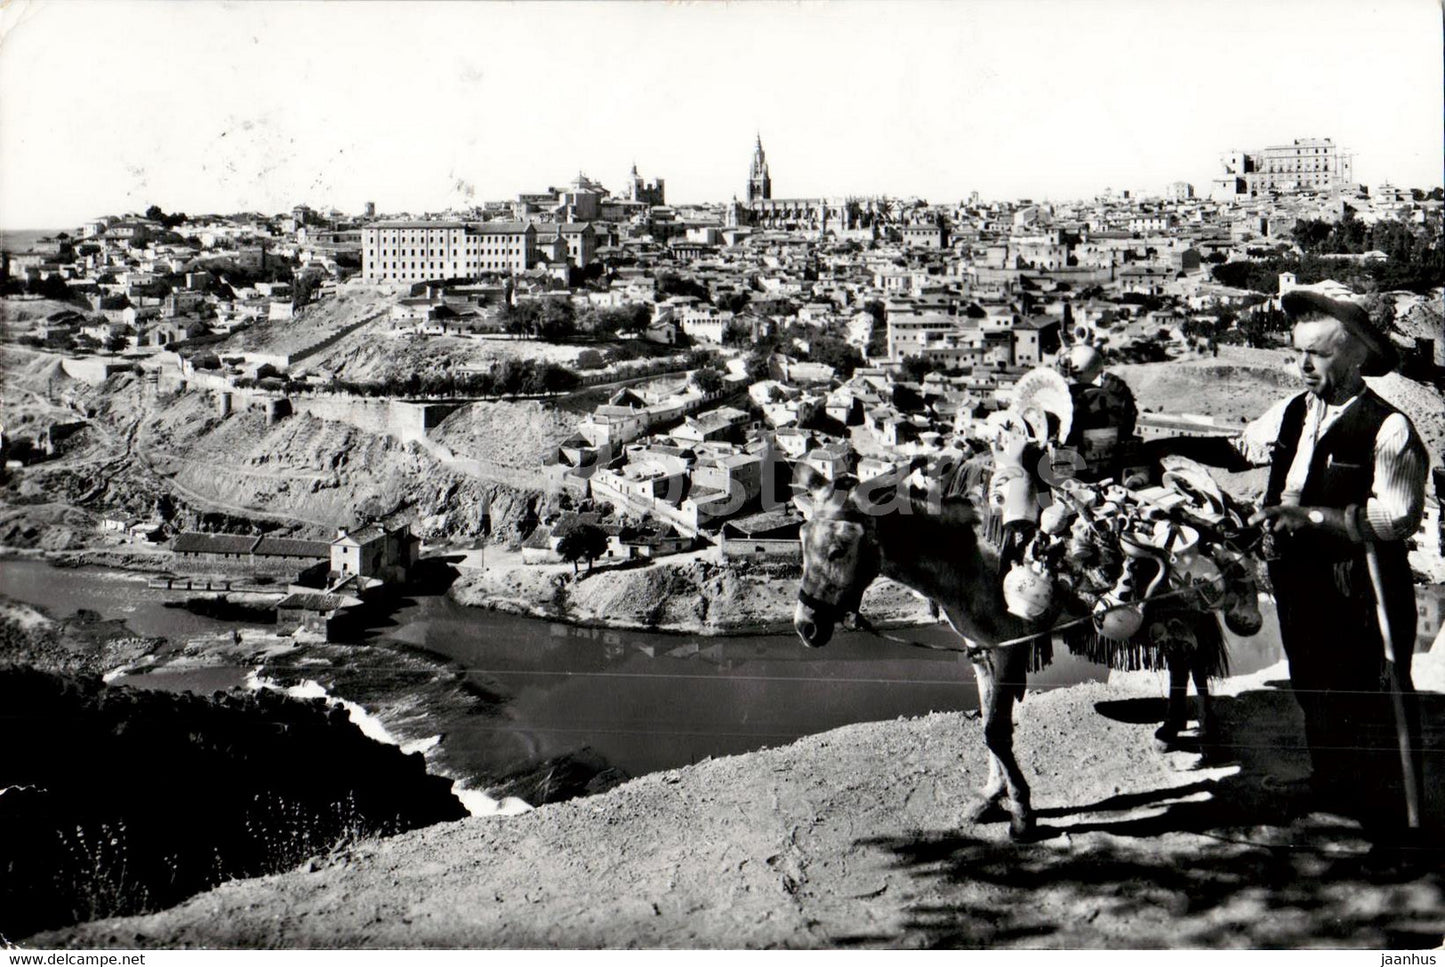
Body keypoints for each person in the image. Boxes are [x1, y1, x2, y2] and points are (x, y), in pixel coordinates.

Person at [1152, 290, 1429, 866]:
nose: (1301, 366)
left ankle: (1395, 832)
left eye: (1316, 356)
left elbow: (1399, 517)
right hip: (1302, 582)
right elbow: (1240, 447)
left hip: (1362, 586)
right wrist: (1162, 445)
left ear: (1353, 358)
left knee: (1373, 700)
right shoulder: (1294, 411)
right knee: (1314, 686)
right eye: (1297, 353)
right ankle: (1332, 792)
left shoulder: (1389, 427)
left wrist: (1314, 517)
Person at [1058, 343, 1140, 483]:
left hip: (1070, 473)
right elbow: (1128, 427)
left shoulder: (1063, 399)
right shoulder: (1117, 394)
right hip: (1111, 471)